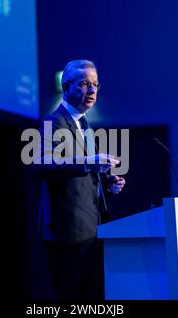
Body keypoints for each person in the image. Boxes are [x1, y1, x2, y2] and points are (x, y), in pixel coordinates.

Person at [36, 60, 126, 300]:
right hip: (67, 232)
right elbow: (42, 164)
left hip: (93, 228)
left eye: (95, 85)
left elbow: (84, 175)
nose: (92, 90)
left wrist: (108, 182)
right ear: (66, 88)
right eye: (85, 84)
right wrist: (88, 161)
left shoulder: (83, 124)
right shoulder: (52, 122)